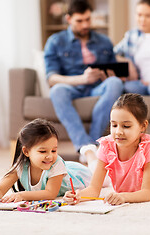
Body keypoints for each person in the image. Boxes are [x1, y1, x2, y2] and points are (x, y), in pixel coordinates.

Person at [64, 93, 150, 205]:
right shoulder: (106, 146)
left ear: (143, 126)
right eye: (114, 125)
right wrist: (78, 196)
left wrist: (124, 197)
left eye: (126, 126)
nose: (118, 132)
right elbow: (93, 189)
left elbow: (146, 193)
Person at [44, 0, 124, 157]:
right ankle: (84, 146)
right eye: (79, 21)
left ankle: (92, 144)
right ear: (68, 19)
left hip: (97, 87)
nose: (85, 25)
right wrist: (82, 79)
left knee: (115, 82)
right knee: (57, 90)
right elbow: (52, 78)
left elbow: (114, 71)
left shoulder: (104, 41)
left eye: (88, 19)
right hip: (72, 86)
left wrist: (111, 74)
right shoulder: (55, 42)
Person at [0, 118, 91, 202]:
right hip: (67, 168)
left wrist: (22, 195)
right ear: (26, 152)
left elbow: (50, 193)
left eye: (54, 151)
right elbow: (2, 186)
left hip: (80, 176)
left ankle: (91, 154)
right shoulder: (21, 166)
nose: (50, 156)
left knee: (101, 174)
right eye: (43, 151)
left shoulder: (56, 163)